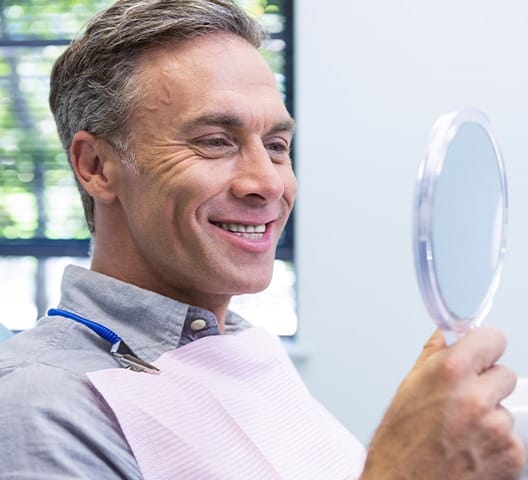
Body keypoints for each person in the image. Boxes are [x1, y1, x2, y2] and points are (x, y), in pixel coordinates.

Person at [0, 0, 525, 478]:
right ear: (96, 167)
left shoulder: (244, 352)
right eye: (215, 142)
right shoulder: (40, 402)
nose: (268, 183)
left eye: (276, 145)